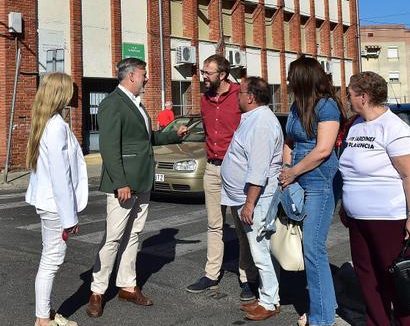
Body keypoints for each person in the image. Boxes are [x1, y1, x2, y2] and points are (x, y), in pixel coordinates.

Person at [86, 58, 189, 318]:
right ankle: (97, 291)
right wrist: (120, 182)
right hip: (125, 184)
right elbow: (109, 147)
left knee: (133, 235)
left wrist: (171, 134)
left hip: (142, 180)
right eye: (144, 74)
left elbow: (147, 138)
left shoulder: (137, 104)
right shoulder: (112, 104)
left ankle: (127, 285)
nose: (147, 79)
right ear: (131, 76)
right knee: (113, 237)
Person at [339, 72, 410, 326]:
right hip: (358, 219)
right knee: (368, 279)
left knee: (399, 282)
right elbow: (350, 171)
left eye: (350, 94)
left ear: (363, 97)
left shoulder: (394, 128)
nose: (347, 98)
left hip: (390, 219)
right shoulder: (355, 125)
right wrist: (346, 206)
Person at [279, 56, 345, 326]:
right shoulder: (297, 106)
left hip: (318, 181)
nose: (287, 82)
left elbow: (323, 150)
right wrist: (286, 168)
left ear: (304, 78)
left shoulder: (327, 106)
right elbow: (290, 140)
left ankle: (322, 317)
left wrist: (293, 172)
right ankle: (324, 305)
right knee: (305, 247)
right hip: (296, 180)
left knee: (313, 248)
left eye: (291, 76)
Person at [185, 54, 257, 304]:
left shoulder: (240, 95)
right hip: (212, 168)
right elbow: (206, 129)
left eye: (208, 73)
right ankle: (210, 274)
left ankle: (247, 278)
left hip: (237, 170)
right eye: (204, 72)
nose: (203, 77)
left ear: (223, 75)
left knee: (241, 227)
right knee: (214, 225)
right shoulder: (205, 99)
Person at [24, 72, 89, 326]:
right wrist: (69, 217)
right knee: (52, 259)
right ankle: (43, 319)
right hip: (54, 206)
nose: (74, 93)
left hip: (46, 202)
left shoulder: (46, 122)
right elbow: (61, 176)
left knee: (49, 257)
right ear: (61, 93)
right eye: (70, 89)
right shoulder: (56, 127)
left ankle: (45, 314)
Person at [221, 77, 285, 321]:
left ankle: (269, 302)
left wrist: (249, 203)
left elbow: (258, 169)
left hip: (256, 199)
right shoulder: (253, 119)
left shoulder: (262, 124)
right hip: (246, 197)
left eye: (240, 92)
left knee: (261, 251)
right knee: (261, 250)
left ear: (250, 97)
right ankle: (267, 296)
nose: (236, 96)